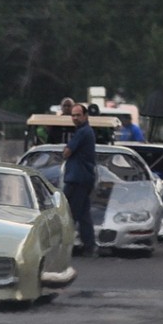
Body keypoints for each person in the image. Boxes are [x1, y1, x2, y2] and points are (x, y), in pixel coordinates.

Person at [63, 103, 97, 257]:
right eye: (73, 115)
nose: (75, 118)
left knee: (69, 214)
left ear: (85, 116)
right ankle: (89, 246)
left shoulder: (83, 132)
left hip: (77, 179)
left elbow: (67, 152)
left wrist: (66, 150)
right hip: (82, 178)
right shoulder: (84, 131)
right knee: (83, 214)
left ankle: (65, 247)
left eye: (78, 115)